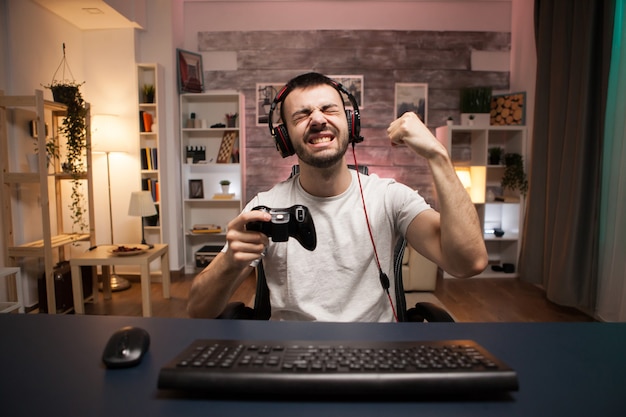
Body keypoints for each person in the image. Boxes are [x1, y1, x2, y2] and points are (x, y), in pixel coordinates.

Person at [187, 72, 487, 321]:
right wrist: (229, 262)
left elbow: (468, 262)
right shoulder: (264, 209)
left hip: (375, 358)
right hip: (290, 357)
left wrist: (438, 155)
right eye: (302, 115)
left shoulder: (390, 197)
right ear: (285, 138)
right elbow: (198, 312)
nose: (317, 119)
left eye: (329, 109)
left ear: (350, 122)